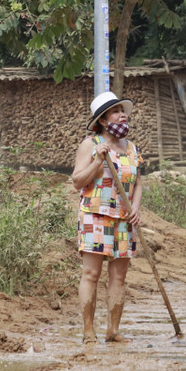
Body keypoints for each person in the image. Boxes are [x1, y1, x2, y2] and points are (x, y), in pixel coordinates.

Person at [71, 90, 143, 348]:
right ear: (102, 119)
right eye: (116, 111)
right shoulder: (90, 145)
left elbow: (138, 182)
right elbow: (77, 181)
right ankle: (88, 331)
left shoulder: (131, 148)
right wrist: (98, 161)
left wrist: (136, 208)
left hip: (124, 219)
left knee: (119, 277)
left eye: (123, 111)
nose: (122, 115)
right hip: (95, 215)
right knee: (91, 273)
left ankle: (113, 331)